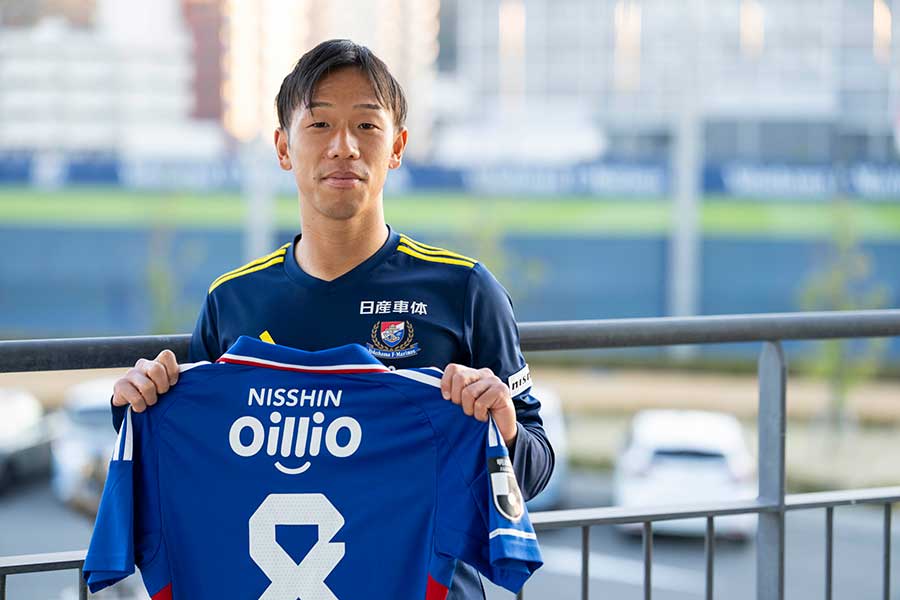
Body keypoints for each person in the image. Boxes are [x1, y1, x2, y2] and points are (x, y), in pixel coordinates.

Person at [110, 39, 554, 599]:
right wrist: (136, 410)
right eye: (319, 124)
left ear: (397, 146)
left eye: (367, 126)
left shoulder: (465, 290)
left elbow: (535, 470)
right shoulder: (232, 299)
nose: (344, 146)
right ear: (283, 146)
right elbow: (194, 464)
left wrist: (504, 427)